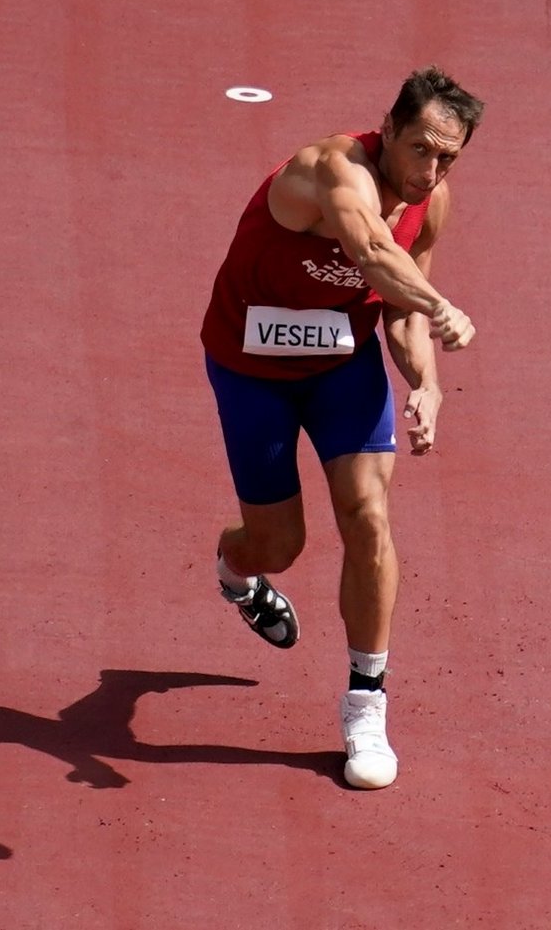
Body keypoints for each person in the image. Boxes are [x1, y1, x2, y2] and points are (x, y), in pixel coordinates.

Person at [200, 66, 484, 789]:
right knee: (279, 543)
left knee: (368, 518)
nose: (432, 169)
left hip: (339, 367)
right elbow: (371, 255)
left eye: (448, 156)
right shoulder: (332, 169)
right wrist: (444, 304)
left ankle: (366, 703)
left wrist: (426, 381)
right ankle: (237, 571)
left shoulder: (432, 202)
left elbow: (398, 308)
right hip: (251, 366)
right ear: (387, 129)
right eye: (421, 148)